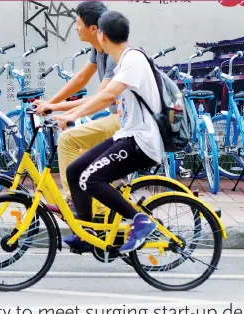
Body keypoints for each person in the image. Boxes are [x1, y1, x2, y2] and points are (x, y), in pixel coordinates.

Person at [52, 10, 164, 254]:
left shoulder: (133, 59)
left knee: (91, 179)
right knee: (75, 170)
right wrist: (64, 110)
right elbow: (102, 94)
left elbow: (107, 96)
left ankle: (140, 220)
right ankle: (87, 232)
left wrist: (71, 114)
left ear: (101, 35)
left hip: (141, 142)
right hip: (127, 136)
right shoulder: (124, 58)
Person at [32, 1, 119, 213]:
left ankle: (75, 202)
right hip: (120, 118)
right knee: (83, 152)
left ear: (93, 29)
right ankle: (100, 206)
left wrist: (60, 110)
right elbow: (81, 78)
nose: (76, 27)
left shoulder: (113, 54)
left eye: (78, 23)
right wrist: (51, 103)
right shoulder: (98, 50)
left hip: (128, 121)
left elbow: (102, 97)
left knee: (68, 140)